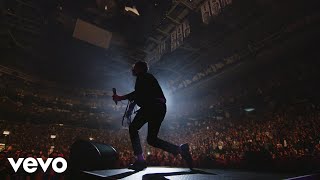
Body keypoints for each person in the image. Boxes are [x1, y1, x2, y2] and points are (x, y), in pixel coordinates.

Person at [113, 61, 193, 171]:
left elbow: (137, 94)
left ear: (140, 68)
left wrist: (120, 98)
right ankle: (180, 150)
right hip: (159, 108)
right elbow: (140, 94)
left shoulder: (142, 76)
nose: (133, 70)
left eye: (135, 67)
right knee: (152, 140)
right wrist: (131, 107)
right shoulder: (147, 77)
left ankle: (140, 161)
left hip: (152, 107)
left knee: (133, 128)